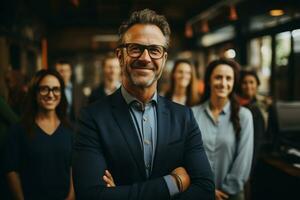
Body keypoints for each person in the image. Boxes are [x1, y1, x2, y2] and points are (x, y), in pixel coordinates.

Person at [73, 8, 214, 200]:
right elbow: (91, 195)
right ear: (120, 56)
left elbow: (205, 190)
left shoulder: (183, 117)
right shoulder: (92, 118)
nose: (145, 58)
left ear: (163, 59)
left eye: (154, 50)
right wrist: (173, 182)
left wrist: (118, 193)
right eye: (135, 48)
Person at [3, 69, 75, 200]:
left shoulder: (70, 130)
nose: (50, 94)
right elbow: (11, 171)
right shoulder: (18, 130)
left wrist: (70, 198)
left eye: (56, 89)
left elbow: (74, 169)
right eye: (44, 89)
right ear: (35, 93)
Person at [192, 58, 254, 200]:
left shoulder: (244, 116)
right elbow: (188, 157)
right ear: (209, 81)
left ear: (233, 83)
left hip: (231, 195)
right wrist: (206, 189)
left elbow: (243, 161)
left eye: (228, 78)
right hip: (198, 193)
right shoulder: (192, 114)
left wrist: (225, 191)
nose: (223, 83)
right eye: (218, 77)